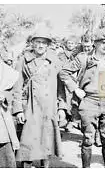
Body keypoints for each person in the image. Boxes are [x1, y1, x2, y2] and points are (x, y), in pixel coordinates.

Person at [59, 27, 105, 168]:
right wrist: (76, 89)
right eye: (103, 43)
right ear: (95, 43)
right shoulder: (83, 58)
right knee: (88, 138)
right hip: (89, 101)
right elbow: (64, 72)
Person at [12, 28, 63, 168]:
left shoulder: (54, 61)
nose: (41, 45)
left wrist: (62, 108)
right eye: (38, 42)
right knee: (28, 144)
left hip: (48, 107)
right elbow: (17, 87)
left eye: (44, 43)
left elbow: (60, 86)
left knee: (47, 144)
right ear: (32, 44)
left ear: (48, 45)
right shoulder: (23, 61)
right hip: (30, 107)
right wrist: (18, 110)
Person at [57, 35, 80, 132]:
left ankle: (72, 120)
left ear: (75, 45)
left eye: (72, 43)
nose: (70, 45)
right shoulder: (61, 55)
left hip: (74, 79)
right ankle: (63, 119)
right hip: (63, 80)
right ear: (66, 44)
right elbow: (60, 67)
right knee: (62, 98)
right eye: (69, 43)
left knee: (74, 100)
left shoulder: (77, 55)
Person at [0, 60, 19, 168]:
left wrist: (4, 96)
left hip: (1, 120)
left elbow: (13, 93)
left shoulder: (6, 71)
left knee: (5, 154)